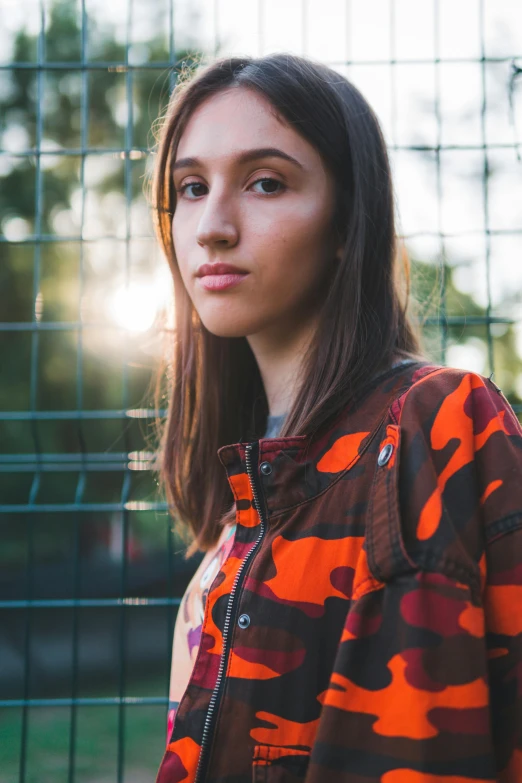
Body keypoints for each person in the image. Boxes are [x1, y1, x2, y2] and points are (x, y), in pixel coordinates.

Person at [151, 53, 522, 783]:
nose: (212, 227)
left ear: (350, 220)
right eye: (190, 188)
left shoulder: (439, 423)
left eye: (265, 182)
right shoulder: (235, 523)